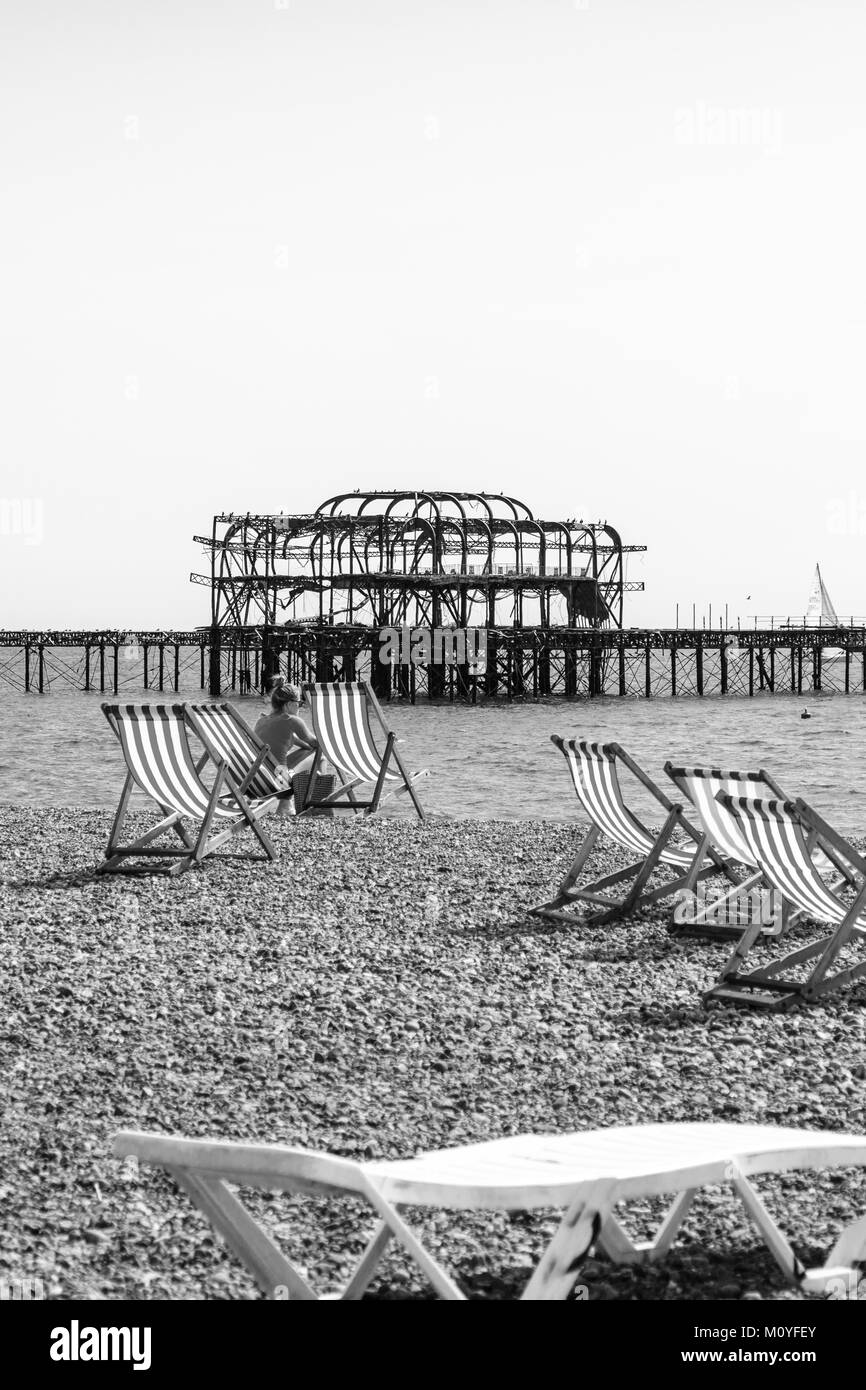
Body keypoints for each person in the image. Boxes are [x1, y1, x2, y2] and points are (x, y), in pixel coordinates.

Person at [255, 681, 318, 813]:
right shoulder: (292, 720)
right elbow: (316, 744)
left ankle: (285, 804)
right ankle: (304, 805)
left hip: (257, 778)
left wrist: (304, 744)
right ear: (289, 704)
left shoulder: (262, 721)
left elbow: (289, 740)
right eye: (299, 703)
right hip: (278, 781)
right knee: (319, 756)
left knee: (308, 751)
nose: (300, 707)